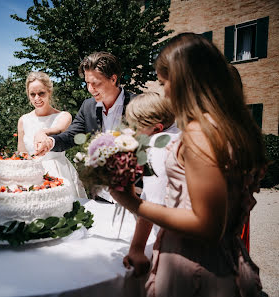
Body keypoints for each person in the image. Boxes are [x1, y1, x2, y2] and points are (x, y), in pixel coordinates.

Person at [110, 33, 267, 296]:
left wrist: (133, 202)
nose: (166, 92)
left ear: (185, 82)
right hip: (225, 257)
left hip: (195, 268)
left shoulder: (200, 134)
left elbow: (207, 225)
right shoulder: (234, 128)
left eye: (165, 82)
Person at [34, 51, 136, 202]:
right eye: (87, 83)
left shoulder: (138, 104)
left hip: (136, 197)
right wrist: (50, 142)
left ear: (113, 79)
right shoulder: (88, 106)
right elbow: (70, 136)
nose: (90, 88)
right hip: (102, 196)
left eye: (95, 83)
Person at [123, 91, 180, 277]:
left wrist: (124, 192)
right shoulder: (178, 135)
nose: (131, 132)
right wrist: (137, 247)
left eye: (134, 127)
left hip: (175, 250)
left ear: (156, 129)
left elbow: (154, 206)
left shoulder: (159, 144)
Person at [17, 71, 87, 199]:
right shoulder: (23, 120)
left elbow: (59, 129)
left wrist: (42, 132)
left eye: (41, 93)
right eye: (33, 94)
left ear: (49, 92)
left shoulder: (64, 116)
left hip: (59, 172)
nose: (37, 98)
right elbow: (21, 154)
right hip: (32, 175)